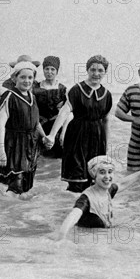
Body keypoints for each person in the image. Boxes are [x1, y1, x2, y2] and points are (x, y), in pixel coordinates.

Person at [46, 55, 112, 192]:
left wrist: (106, 147)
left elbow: (106, 121)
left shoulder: (106, 94)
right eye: (93, 69)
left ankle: (89, 210)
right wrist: (52, 135)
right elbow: (64, 112)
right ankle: (70, 208)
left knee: (95, 180)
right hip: (77, 136)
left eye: (100, 70)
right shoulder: (76, 90)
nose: (96, 73)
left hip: (97, 138)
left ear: (105, 72)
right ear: (87, 70)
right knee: (76, 180)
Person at [56, 156, 140, 239]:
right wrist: (60, 238)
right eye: (102, 172)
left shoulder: (107, 191)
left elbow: (122, 183)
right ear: (94, 175)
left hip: (102, 237)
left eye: (110, 172)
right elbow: (73, 216)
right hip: (87, 241)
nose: (107, 177)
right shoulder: (86, 199)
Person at [0, 62, 51, 195]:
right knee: (15, 186)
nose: (27, 81)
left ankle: (21, 214)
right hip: (14, 145)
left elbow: (36, 123)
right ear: (15, 78)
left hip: (31, 146)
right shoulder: (9, 96)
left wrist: (45, 137)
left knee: (26, 187)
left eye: (30, 78)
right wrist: (1, 151)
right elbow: (0, 125)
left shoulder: (33, 97)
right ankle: (6, 211)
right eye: (23, 77)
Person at [33, 56, 67, 158]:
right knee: (39, 159)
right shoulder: (35, 88)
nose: (49, 72)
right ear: (43, 70)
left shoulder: (62, 89)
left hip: (56, 128)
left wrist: (63, 133)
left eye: (53, 69)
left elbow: (67, 113)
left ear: (57, 71)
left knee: (57, 160)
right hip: (39, 127)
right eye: (46, 69)